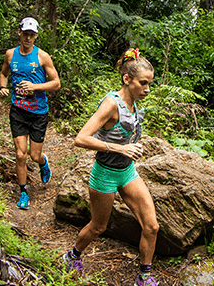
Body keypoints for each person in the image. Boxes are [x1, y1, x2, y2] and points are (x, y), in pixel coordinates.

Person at [62, 49, 158, 286]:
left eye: (149, 84)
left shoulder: (134, 104)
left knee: (151, 226)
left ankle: (144, 276)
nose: (147, 89)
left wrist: (133, 145)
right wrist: (119, 148)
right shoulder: (111, 104)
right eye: (143, 83)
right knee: (98, 226)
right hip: (104, 173)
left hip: (127, 172)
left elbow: (125, 135)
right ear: (127, 79)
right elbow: (81, 138)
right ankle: (72, 256)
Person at [0, 17, 60, 210]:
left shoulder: (43, 57)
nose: (28, 38)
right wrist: (2, 87)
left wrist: (35, 86)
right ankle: (23, 192)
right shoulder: (10, 54)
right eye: (25, 34)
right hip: (18, 110)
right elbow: (3, 73)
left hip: (38, 112)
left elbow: (56, 83)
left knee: (34, 155)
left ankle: (43, 162)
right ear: (19, 32)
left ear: (36, 36)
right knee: (20, 154)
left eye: (32, 35)